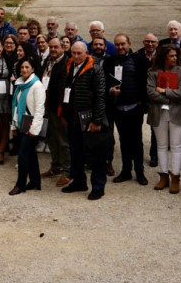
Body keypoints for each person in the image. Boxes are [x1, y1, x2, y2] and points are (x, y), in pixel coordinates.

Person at [62, 41, 110, 200]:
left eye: (79, 53)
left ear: (86, 53)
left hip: (89, 119)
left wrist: (97, 120)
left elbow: (101, 96)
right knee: (76, 152)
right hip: (74, 119)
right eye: (73, 53)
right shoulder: (69, 66)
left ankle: (98, 186)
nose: (75, 56)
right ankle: (79, 181)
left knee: (96, 154)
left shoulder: (95, 69)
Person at [146, 44, 181, 193]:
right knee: (161, 145)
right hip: (158, 112)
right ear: (164, 56)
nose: (175, 58)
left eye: (176, 55)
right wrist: (169, 98)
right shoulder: (152, 72)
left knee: (176, 146)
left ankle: (175, 176)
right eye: (171, 56)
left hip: (177, 112)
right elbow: (151, 93)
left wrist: (164, 91)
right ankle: (163, 175)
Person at [106, 34, 147, 185]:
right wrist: (111, 91)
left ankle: (140, 171)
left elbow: (145, 81)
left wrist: (143, 103)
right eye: (117, 44)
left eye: (123, 44)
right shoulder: (110, 62)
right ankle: (126, 171)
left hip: (135, 107)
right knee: (124, 140)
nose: (120, 47)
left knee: (137, 140)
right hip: (118, 108)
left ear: (129, 43)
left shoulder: (139, 60)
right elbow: (104, 82)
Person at [9, 58, 45, 195]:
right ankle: (35, 181)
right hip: (21, 123)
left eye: (27, 67)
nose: (24, 70)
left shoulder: (37, 85)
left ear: (33, 69)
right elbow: (16, 107)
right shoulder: (20, 84)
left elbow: (39, 109)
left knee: (23, 156)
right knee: (30, 154)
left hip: (31, 125)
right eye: (22, 67)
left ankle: (20, 185)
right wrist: (14, 125)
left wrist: (34, 130)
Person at [40, 36, 71, 184]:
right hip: (47, 107)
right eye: (50, 47)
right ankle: (55, 166)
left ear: (62, 48)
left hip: (59, 108)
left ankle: (67, 170)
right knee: (51, 138)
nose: (52, 49)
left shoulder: (66, 63)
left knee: (63, 141)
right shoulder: (48, 62)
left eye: (55, 47)